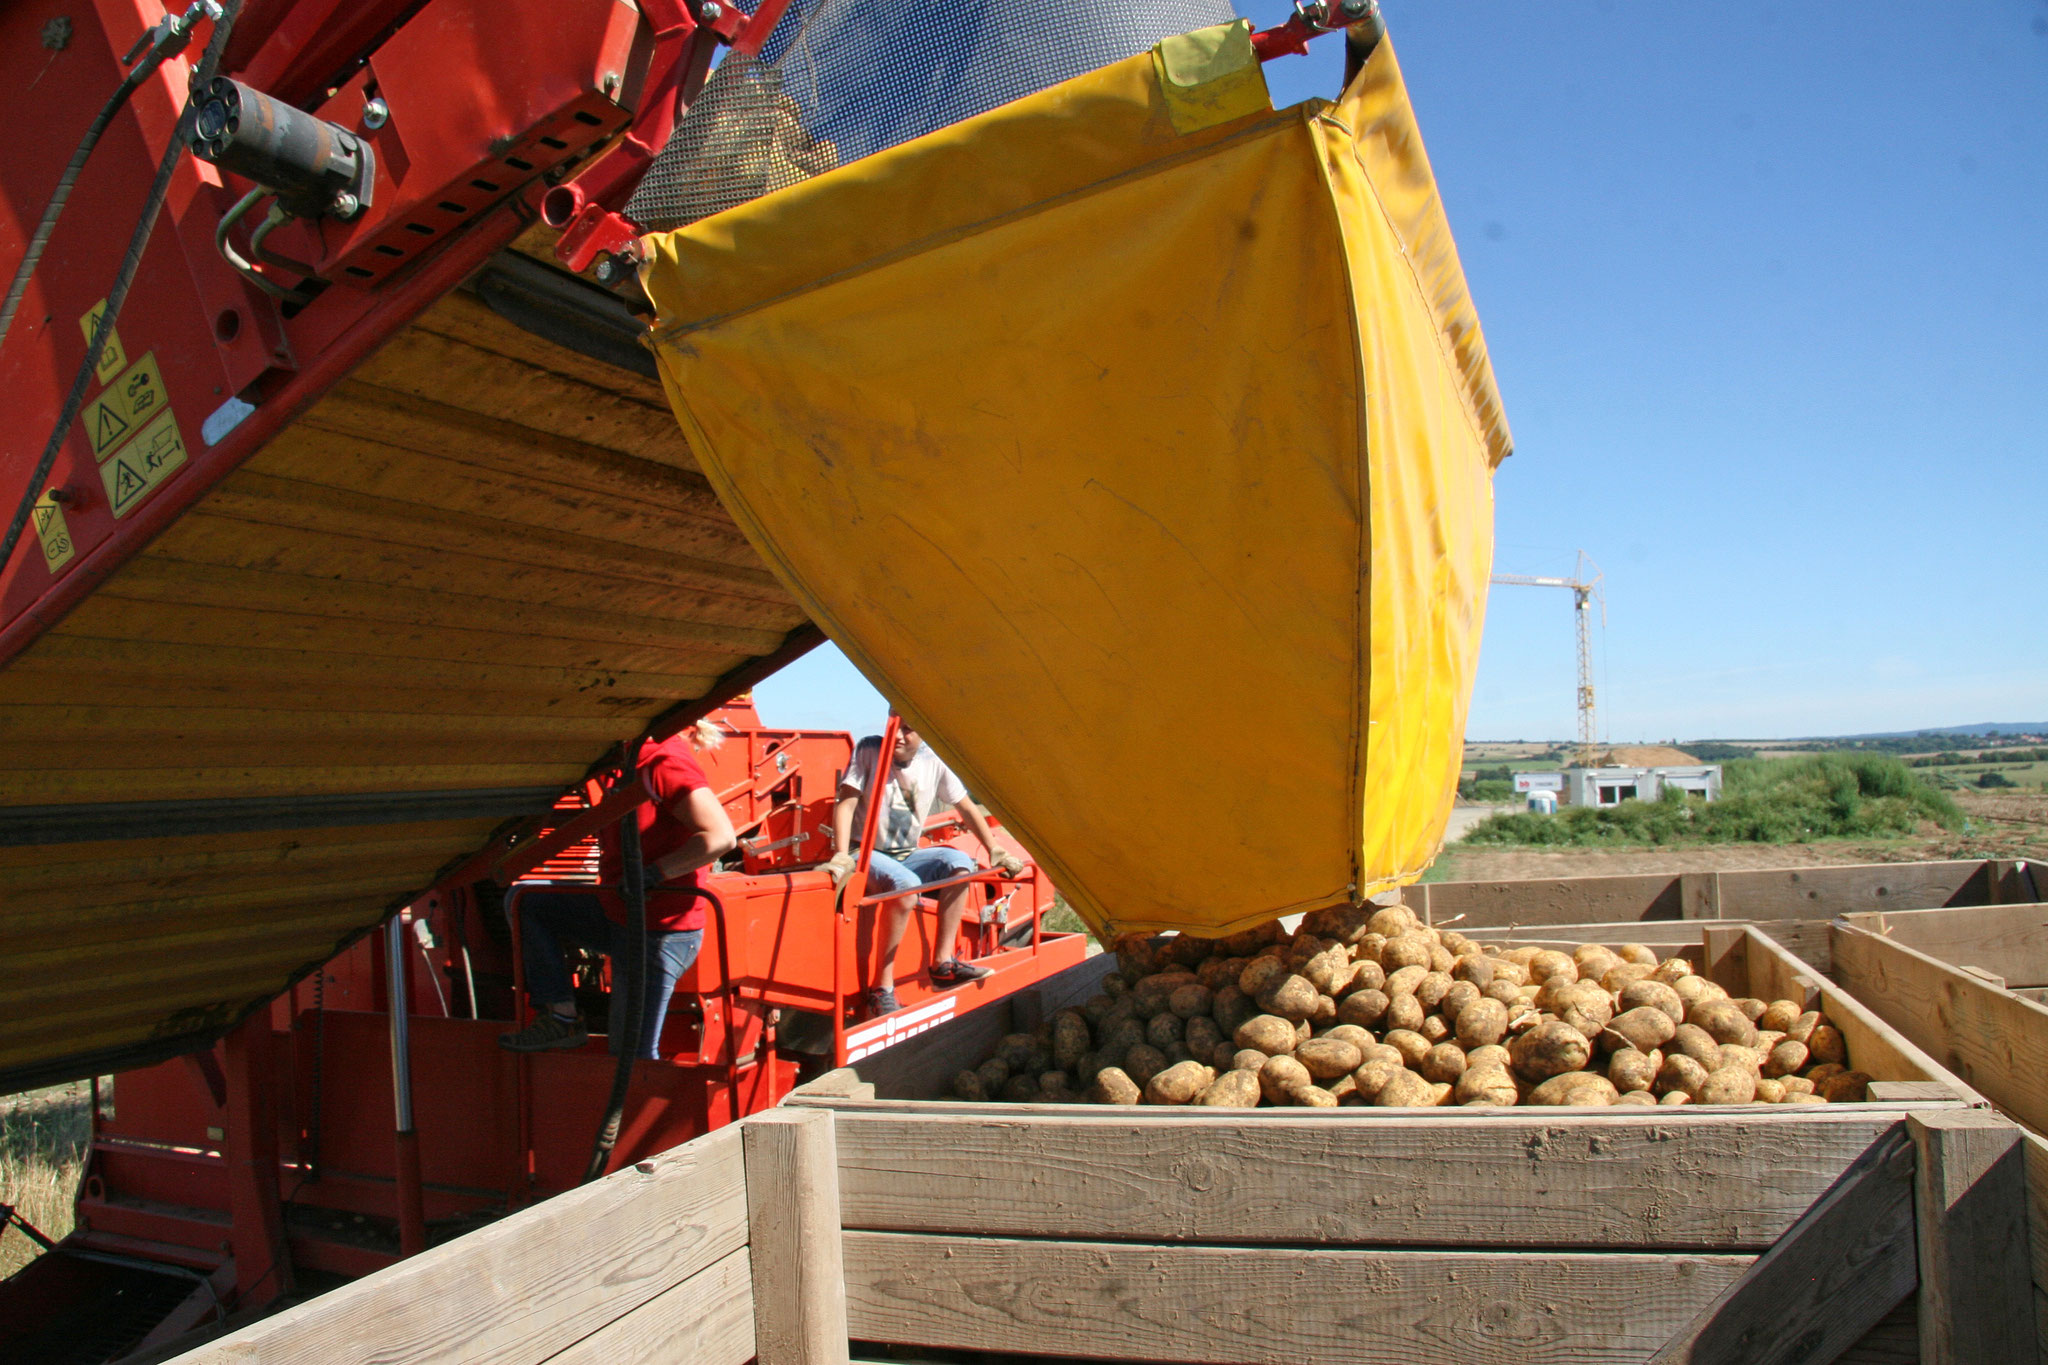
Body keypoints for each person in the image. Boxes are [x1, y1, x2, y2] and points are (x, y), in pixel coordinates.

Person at [500, 720, 737, 1057]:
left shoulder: (662, 760)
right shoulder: (616, 762)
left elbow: (721, 836)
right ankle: (560, 1017)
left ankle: (633, 1105)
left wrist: (653, 874)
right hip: (617, 912)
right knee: (525, 901)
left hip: (656, 930)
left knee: (631, 1054)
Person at [825, 717, 1027, 1017]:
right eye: (895, 727)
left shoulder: (933, 762)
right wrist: (841, 854)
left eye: (908, 729)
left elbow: (966, 807)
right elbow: (847, 801)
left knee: (960, 863)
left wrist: (994, 849)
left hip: (906, 854)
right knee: (906, 885)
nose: (899, 736)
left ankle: (943, 964)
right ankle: (883, 988)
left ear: (924, 732)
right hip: (865, 852)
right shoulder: (869, 749)